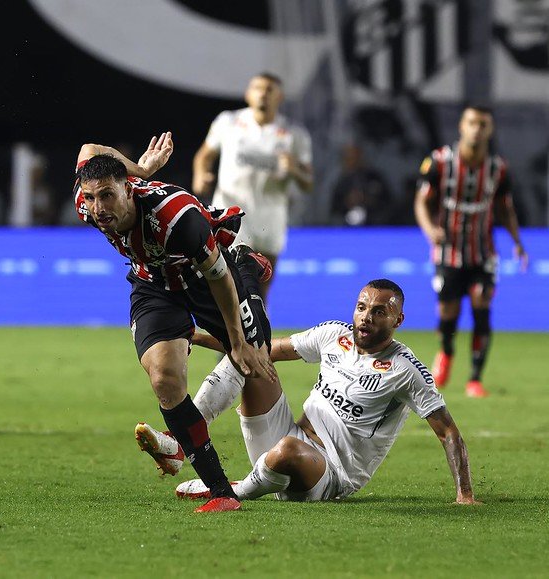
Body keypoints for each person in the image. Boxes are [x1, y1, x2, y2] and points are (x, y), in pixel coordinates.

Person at [74, 132, 280, 513]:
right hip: (153, 282)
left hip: (205, 278)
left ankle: (248, 266)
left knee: (256, 358)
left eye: (107, 195)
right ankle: (222, 493)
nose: (97, 207)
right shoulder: (86, 203)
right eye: (90, 197)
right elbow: (89, 149)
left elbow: (217, 276)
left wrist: (236, 339)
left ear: (128, 190)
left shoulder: (176, 217)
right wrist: (141, 167)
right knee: (164, 380)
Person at [171, 279, 480, 505]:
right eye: (361, 308)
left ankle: (229, 490)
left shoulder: (405, 369)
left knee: (290, 449)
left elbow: (448, 432)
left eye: (379, 312)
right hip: (282, 436)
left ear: (398, 320)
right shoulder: (334, 334)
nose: (366, 317)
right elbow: (264, 349)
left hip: (328, 474)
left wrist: (464, 494)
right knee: (254, 359)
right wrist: (198, 337)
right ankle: (184, 436)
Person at [414, 104, 528, 398]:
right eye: (472, 123)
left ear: (490, 130)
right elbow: (421, 202)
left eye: (483, 124)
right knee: (448, 309)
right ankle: (446, 352)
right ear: (461, 127)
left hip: (483, 252)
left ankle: (475, 379)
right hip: (448, 251)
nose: (477, 129)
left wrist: (517, 242)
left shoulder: (497, 168)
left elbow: (506, 209)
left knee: (481, 302)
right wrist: (430, 231)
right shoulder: (440, 162)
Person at [192, 72, 313, 302]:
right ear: (248, 94)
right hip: (231, 213)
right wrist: (200, 175)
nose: (263, 94)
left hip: (270, 216)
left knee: (261, 288)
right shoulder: (228, 122)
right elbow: (204, 156)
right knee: (225, 282)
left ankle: (257, 335)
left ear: (280, 97)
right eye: (258, 88)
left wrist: (295, 170)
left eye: (270, 89)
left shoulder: (295, 134)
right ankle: (228, 335)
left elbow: (308, 183)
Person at [329, 143, 394, 226]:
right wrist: (347, 202)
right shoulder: (340, 181)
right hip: (346, 228)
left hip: (374, 226)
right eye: (349, 159)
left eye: (355, 158)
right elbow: (333, 209)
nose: (353, 162)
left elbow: (388, 204)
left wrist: (367, 199)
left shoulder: (374, 178)